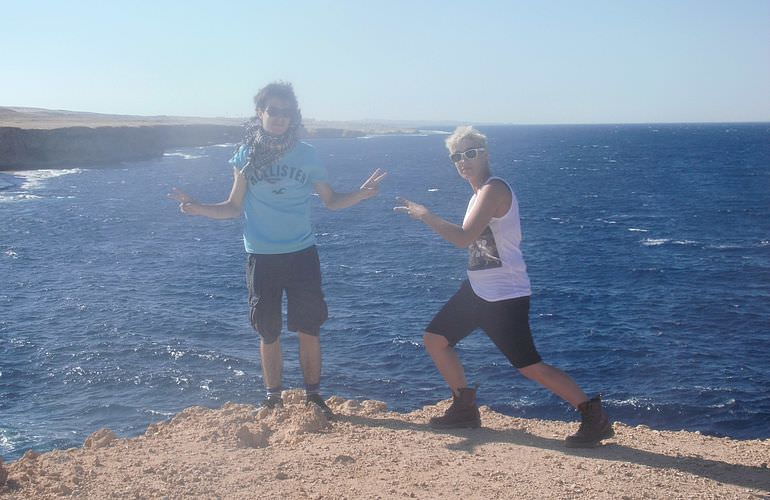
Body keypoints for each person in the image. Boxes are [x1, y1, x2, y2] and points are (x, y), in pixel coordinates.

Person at [169, 81, 387, 418]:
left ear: (293, 117)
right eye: (273, 111)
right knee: (267, 329)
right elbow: (233, 206)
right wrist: (198, 208)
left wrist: (360, 194)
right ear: (260, 113)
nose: (279, 118)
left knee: (309, 327)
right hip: (261, 255)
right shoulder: (245, 156)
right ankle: (274, 398)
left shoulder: (308, 155)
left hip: (302, 254)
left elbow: (330, 200)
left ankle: (314, 397)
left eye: (286, 113)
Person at [394, 126, 613, 447]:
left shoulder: (493, 190)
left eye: (470, 153)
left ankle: (594, 417)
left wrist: (426, 215)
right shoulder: (479, 192)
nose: (463, 161)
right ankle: (464, 408)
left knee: (530, 367)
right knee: (436, 339)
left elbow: (464, 238)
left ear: (485, 154)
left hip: (504, 295)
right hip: (478, 289)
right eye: (457, 156)